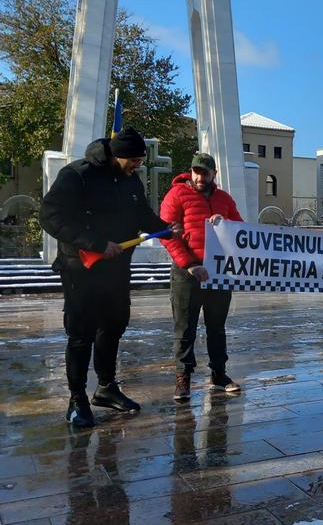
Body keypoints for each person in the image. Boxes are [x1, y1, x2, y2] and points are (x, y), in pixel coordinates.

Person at [40, 126, 181, 428]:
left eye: (141, 160)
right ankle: (77, 399)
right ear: (118, 155)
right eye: (135, 160)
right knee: (81, 333)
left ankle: (106, 387)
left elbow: (142, 215)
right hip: (82, 269)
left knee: (114, 325)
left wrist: (165, 228)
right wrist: (96, 244)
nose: (138, 165)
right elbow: (50, 217)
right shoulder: (77, 175)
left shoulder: (130, 179)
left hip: (117, 269)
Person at [159, 152, 243, 401]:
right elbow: (166, 234)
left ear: (214, 174)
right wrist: (189, 265)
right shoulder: (176, 194)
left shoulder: (224, 199)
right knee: (185, 328)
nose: (199, 177)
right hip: (187, 273)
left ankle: (219, 375)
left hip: (218, 272)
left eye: (205, 173)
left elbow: (241, 229)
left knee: (217, 327)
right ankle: (183, 377)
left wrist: (226, 223)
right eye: (196, 172)